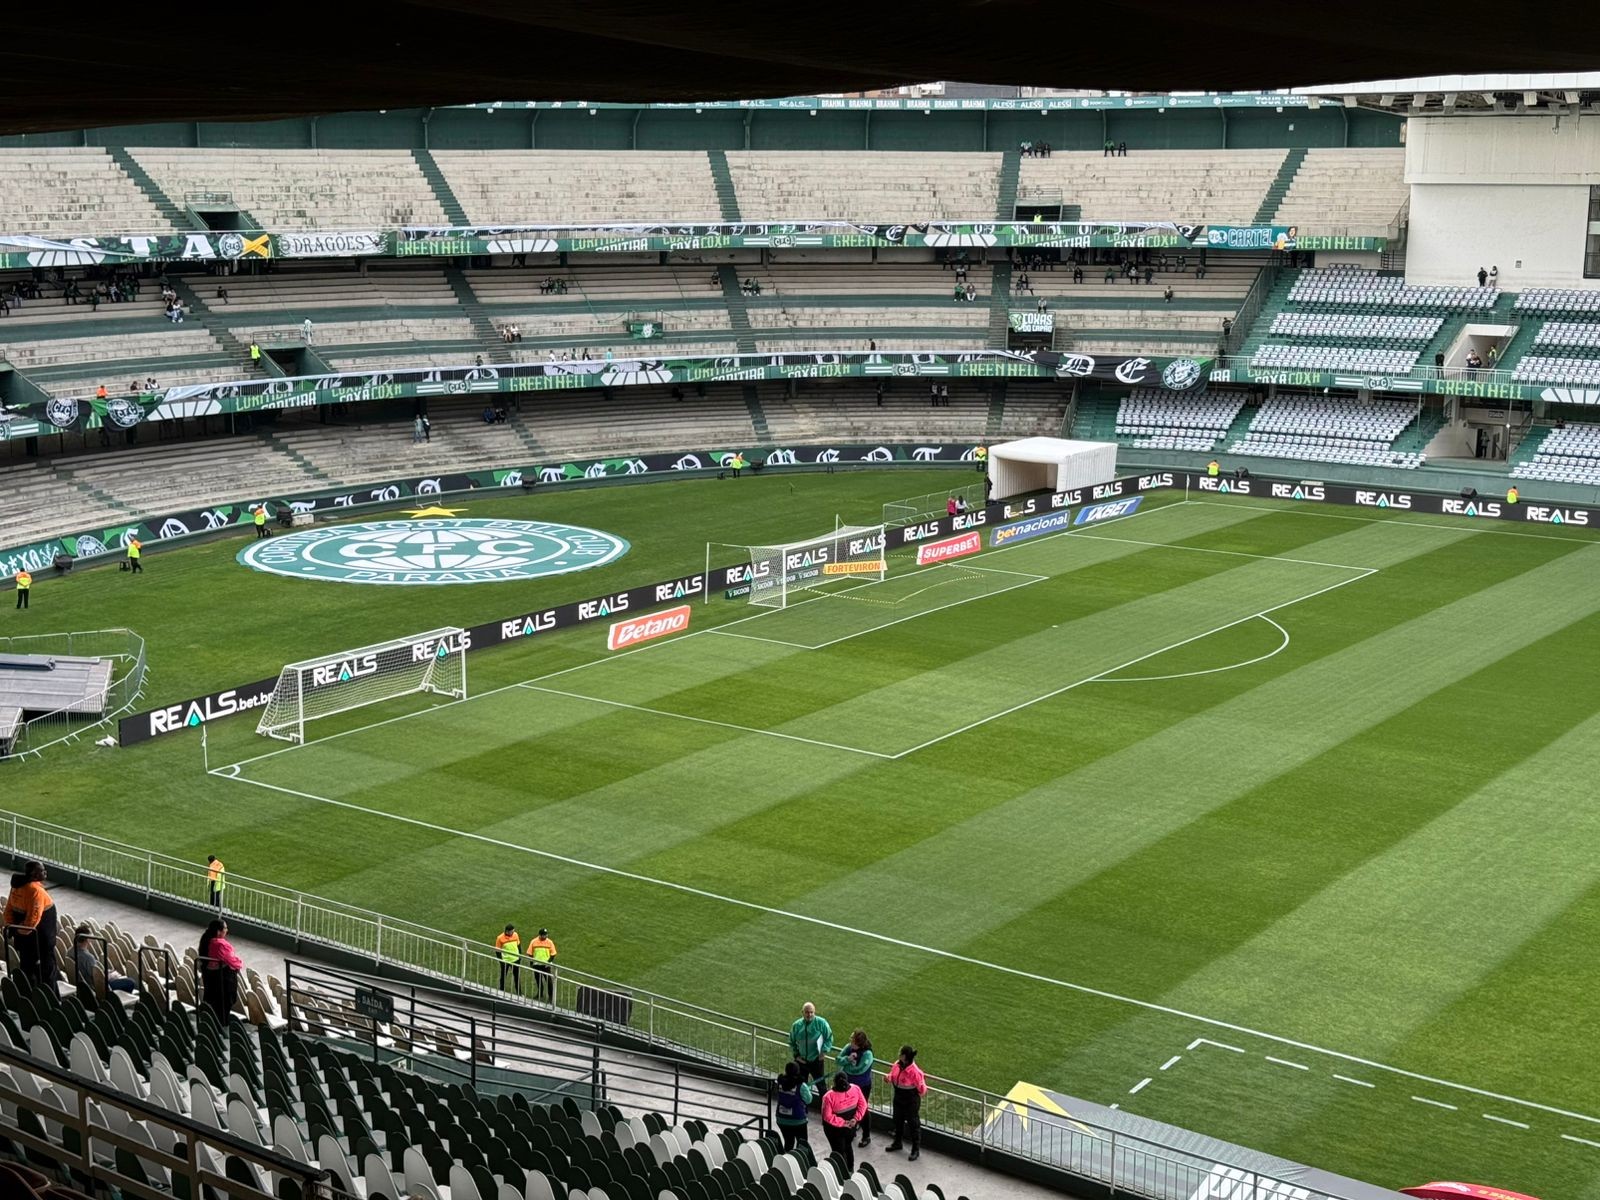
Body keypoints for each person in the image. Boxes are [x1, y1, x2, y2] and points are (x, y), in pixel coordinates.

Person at [5, 861, 59, 987]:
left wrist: (13, 928)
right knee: (47, 974)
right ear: (34, 874)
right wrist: (19, 930)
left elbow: (8, 911)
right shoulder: (36, 891)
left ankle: (31, 997)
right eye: (42, 870)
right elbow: (32, 922)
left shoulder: (16, 887)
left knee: (28, 971)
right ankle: (51, 1002)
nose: (45, 872)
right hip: (40, 944)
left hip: (25, 943)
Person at [820, 1072, 867, 1173]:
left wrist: (844, 1123)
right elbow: (863, 1105)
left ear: (834, 1082)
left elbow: (827, 1116)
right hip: (851, 1127)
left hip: (834, 1130)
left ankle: (842, 1173)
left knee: (838, 1151)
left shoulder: (829, 1096)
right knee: (848, 1147)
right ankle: (850, 1169)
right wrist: (855, 1118)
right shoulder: (855, 1089)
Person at [197, 918, 242, 1020]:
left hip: (210, 981)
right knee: (222, 1009)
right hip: (223, 983)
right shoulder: (220, 944)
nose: (227, 930)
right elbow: (232, 961)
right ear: (218, 931)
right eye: (225, 928)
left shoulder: (206, 941)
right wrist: (239, 962)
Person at [886, 1045, 926, 1160]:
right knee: (897, 1120)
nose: (899, 1055)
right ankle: (897, 1142)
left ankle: (915, 1149)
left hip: (910, 1101)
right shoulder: (897, 1065)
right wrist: (888, 1078)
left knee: (914, 1125)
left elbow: (922, 1089)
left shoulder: (915, 1072)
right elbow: (892, 1075)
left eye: (901, 1053)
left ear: (905, 1056)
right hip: (899, 1097)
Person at [75, 925, 135, 1000]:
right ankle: (114, 1001)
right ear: (88, 939)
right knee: (130, 982)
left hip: (83, 984)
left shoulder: (70, 952)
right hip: (96, 987)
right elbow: (96, 978)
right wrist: (110, 977)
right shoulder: (87, 957)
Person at [837, 1030, 876, 1147]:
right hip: (849, 1085)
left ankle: (866, 1135)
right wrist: (847, 1059)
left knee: (862, 1110)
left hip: (862, 1086)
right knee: (849, 1108)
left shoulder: (867, 1054)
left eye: (853, 1040)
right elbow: (838, 1059)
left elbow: (859, 1070)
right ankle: (852, 1130)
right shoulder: (849, 1048)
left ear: (859, 1042)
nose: (850, 1042)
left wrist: (846, 1066)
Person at [789, 1002, 833, 1089]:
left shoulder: (822, 1023)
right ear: (802, 1012)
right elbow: (791, 1042)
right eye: (807, 1012)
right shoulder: (796, 1025)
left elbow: (829, 1038)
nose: (809, 1014)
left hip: (816, 1060)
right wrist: (796, 1055)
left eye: (811, 1012)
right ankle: (801, 1103)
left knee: (821, 1086)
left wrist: (823, 1052)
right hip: (802, 1061)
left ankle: (824, 1103)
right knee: (801, 1086)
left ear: (814, 1012)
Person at [775, 1064, 813, 1153]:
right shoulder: (801, 1085)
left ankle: (786, 1162)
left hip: (781, 1119)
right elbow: (809, 1100)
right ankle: (799, 1163)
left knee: (788, 1143)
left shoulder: (780, 1082)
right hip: (798, 1120)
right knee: (802, 1145)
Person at [527, 927, 557, 1002]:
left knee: (549, 981)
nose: (545, 936)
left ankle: (551, 997)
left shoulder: (550, 942)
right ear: (540, 935)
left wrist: (549, 962)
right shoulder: (533, 941)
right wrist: (532, 963)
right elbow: (530, 953)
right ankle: (540, 993)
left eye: (546, 935)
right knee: (538, 980)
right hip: (536, 964)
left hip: (546, 965)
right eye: (544, 935)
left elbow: (553, 954)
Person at [495, 924, 522, 993]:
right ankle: (501, 990)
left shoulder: (515, 935)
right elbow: (497, 951)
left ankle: (519, 993)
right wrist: (501, 961)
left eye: (513, 931)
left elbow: (518, 946)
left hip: (515, 960)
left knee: (517, 977)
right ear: (507, 931)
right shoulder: (500, 938)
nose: (513, 933)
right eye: (511, 931)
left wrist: (520, 957)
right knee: (503, 976)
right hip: (505, 960)